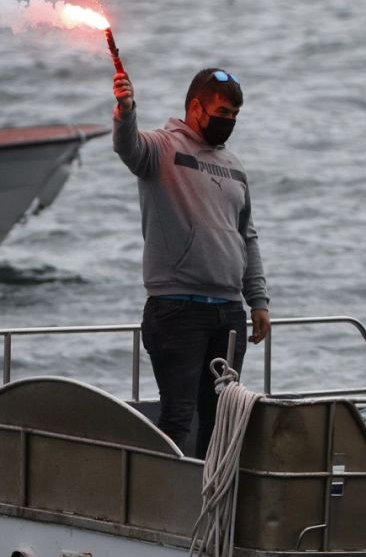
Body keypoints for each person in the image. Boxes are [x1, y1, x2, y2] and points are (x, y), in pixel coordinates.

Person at [114, 65, 271, 458]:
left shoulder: (234, 165)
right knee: (178, 417)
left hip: (228, 313)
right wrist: (126, 109)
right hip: (176, 310)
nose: (229, 122)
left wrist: (259, 301)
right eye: (222, 113)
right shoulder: (162, 148)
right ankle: (165, 509)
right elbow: (128, 147)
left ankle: (210, 503)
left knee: (220, 420)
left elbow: (246, 235)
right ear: (196, 107)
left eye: (235, 116)